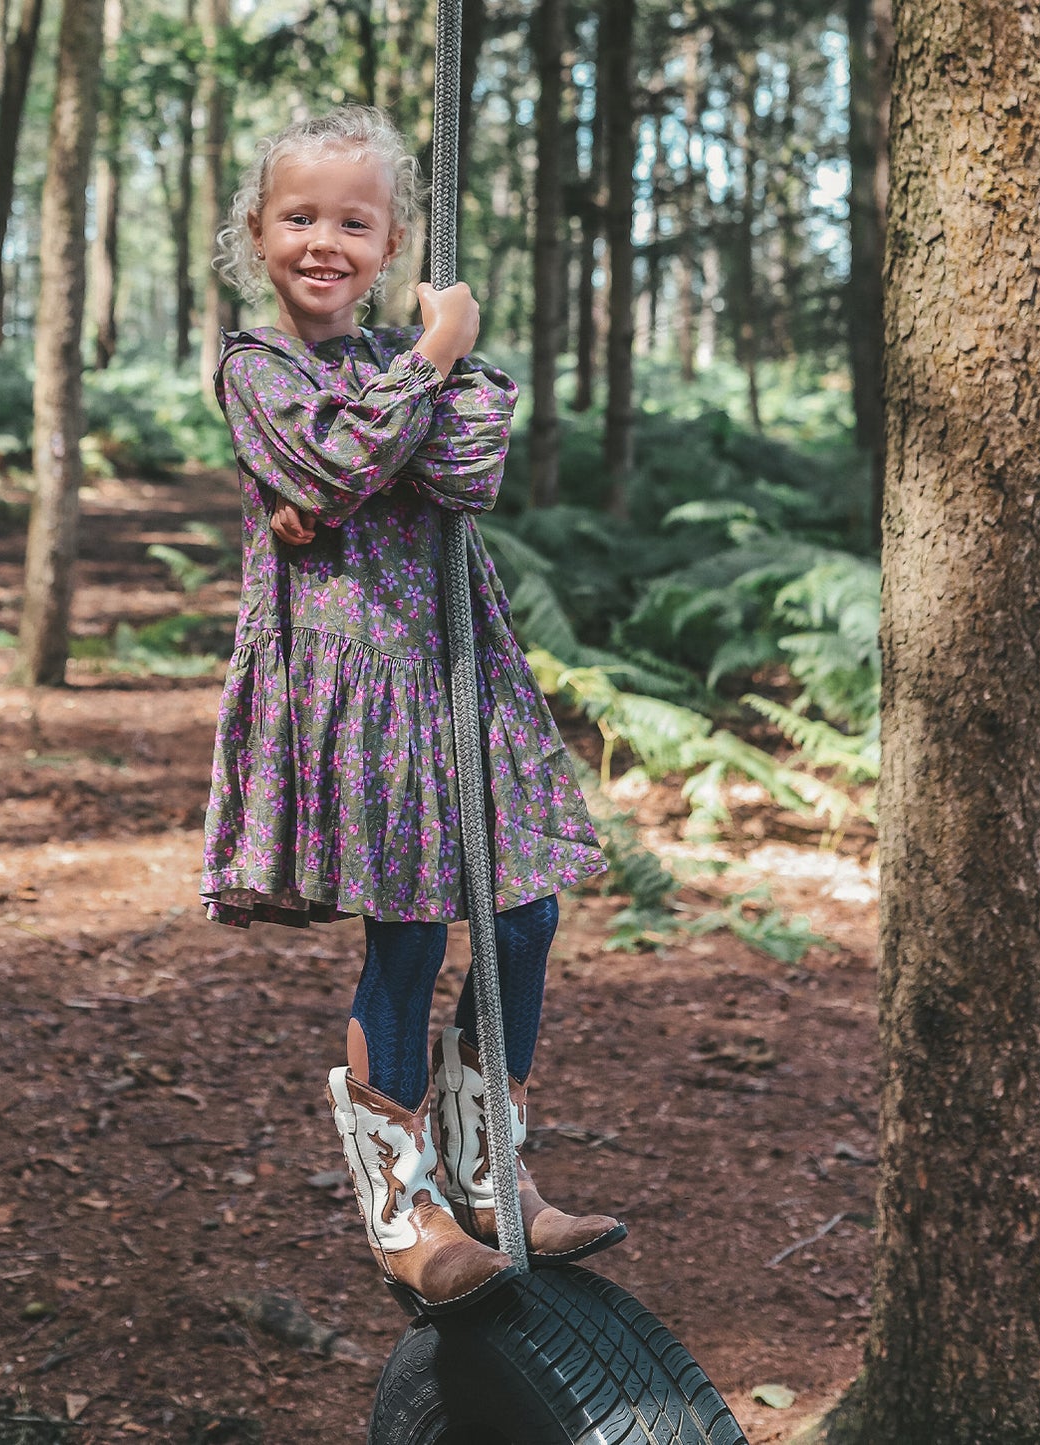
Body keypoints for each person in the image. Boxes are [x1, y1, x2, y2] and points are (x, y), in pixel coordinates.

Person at [202, 106, 625, 1316]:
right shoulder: (255, 366)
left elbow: (465, 463)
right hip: (346, 676)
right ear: (257, 233)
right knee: (408, 924)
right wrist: (429, 365)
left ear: (387, 245)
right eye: (298, 218)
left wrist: (379, 437)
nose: (323, 241)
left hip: (453, 662)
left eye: (353, 220)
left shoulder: (392, 361)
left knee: (524, 909)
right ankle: (404, 1204)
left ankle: (491, 1163)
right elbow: (342, 462)